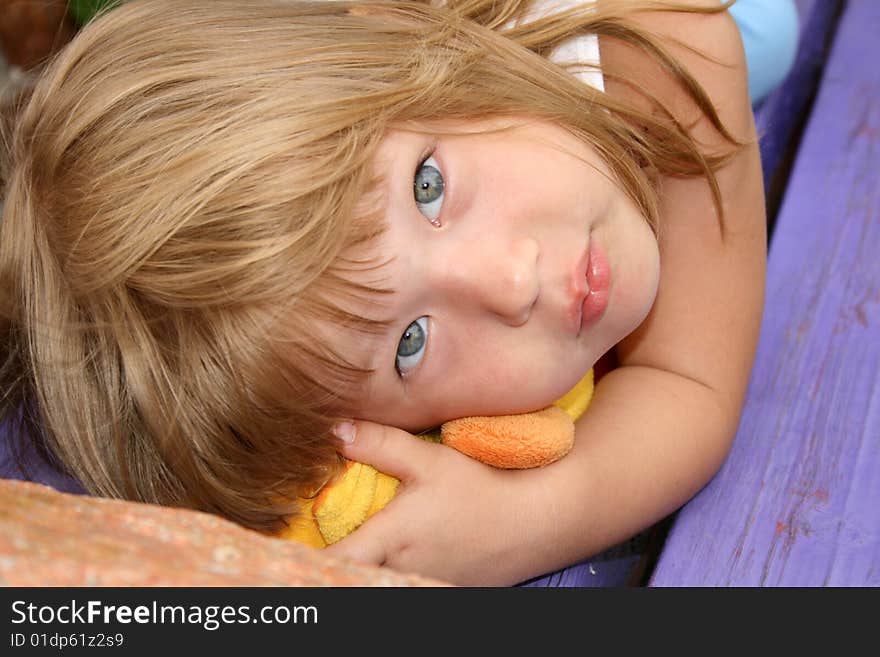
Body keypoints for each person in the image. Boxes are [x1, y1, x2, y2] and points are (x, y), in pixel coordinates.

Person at [0, 0, 767, 585]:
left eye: (428, 186)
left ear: (408, 36)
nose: (512, 280)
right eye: (411, 343)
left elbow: (690, 381)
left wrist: (526, 517)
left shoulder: (669, 40)